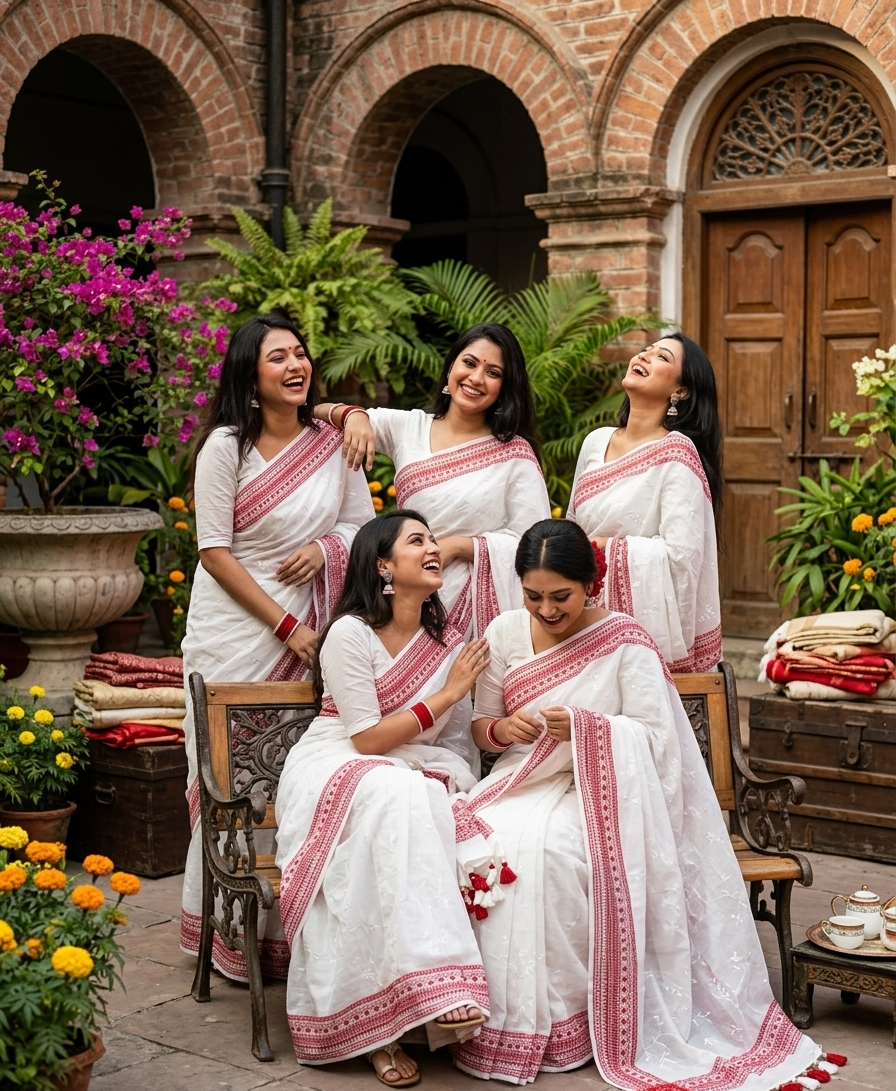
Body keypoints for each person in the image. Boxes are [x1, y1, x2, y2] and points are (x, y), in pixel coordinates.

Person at [453, 519, 821, 1091]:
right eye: (533, 596)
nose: (546, 609)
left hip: (604, 794)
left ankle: (566, 1019)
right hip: (520, 780)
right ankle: (490, 1020)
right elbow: (483, 726)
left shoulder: (624, 640)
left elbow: (656, 739)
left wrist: (583, 728)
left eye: (561, 596)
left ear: (590, 584)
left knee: (548, 853)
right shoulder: (502, 632)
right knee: (483, 842)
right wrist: (501, 729)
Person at [179, 313, 374, 981]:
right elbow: (213, 551)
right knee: (232, 778)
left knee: (296, 774)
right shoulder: (225, 449)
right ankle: (229, 937)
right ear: (249, 375)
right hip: (237, 628)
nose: (296, 366)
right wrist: (289, 629)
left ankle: (290, 938)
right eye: (277, 358)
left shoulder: (333, 442)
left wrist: (326, 550)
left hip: (315, 617)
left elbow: (361, 527)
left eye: (300, 354)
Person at [274, 510, 497, 1087]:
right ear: (382, 565)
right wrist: (448, 693)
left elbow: (451, 744)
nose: (433, 549)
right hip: (335, 765)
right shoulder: (349, 634)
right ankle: (424, 993)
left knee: (414, 803)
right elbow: (367, 737)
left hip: (405, 774)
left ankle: (400, 1019)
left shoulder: (445, 644)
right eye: (416, 541)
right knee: (399, 792)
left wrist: (445, 771)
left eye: (432, 541)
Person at [320, 323, 552, 638]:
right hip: (407, 598)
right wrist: (353, 415)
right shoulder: (408, 427)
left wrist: (459, 546)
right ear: (450, 368)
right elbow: (315, 413)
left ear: (504, 387)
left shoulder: (514, 454)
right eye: (469, 363)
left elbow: (534, 544)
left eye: (493, 372)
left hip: (475, 616)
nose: (476, 378)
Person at [568, 333, 722, 672]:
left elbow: (681, 559)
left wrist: (602, 547)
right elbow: (573, 526)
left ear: (680, 391)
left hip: (637, 634)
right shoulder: (595, 442)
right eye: (646, 350)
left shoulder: (677, 452)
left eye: (662, 357)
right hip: (578, 618)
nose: (645, 356)